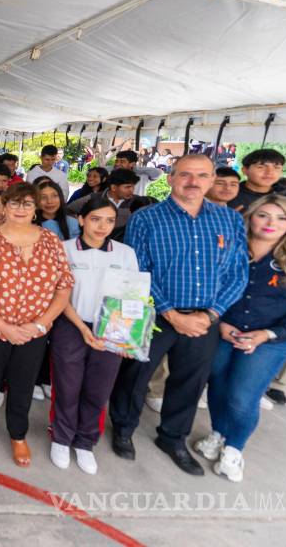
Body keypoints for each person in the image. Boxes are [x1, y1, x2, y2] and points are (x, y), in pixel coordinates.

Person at [109, 155, 249, 476]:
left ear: (211, 180)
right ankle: (123, 428)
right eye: (185, 174)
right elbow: (138, 269)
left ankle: (173, 437)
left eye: (202, 175)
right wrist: (171, 313)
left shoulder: (229, 220)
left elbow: (238, 273)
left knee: (190, 382)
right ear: (171, 178)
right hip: (154, 313)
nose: (193, 182)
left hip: (204, 319)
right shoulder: (147, 218)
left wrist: (212, 314)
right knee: (135, 376)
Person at [194, 195, 286, 482]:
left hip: (268, 342)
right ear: (250, 217)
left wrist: (268, 334)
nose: (271, 223)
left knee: (242, 398)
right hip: (223, 331)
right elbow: (207, 287)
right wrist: (219, 322)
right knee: (218, 387)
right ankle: (218, 434)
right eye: (264, 215)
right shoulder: (229, 250)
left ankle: (234, 449)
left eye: (281, 218)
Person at [0, 183, 73, 466]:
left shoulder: (51, 241)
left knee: (23, 384)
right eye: (14, 203)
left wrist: (39, 325)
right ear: (5, 207)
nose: (20, 209)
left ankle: (18, 435)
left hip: (34, 331)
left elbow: (63, 288)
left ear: (35, 209)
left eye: (27, 204)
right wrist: (3, 326)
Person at [50, 198, 138, 474]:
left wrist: (127, 336)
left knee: (98, 389)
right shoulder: (64, 249)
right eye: (95, 219)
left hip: (112, 328)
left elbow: (131, 296)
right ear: (81, 220)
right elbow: (59, 295)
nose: (102, 226)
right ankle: (61, 437)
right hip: (71, 324)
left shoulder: (125, 254)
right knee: (67, 386)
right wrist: (83, 328)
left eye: (109, 221)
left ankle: (85, 442)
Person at [227, 149, 286, 226]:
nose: (269, 172)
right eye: (261, 167)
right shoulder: (229, 194)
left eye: (276, 167)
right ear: (245, 170)